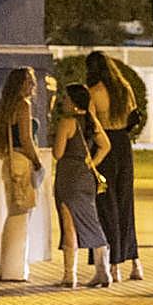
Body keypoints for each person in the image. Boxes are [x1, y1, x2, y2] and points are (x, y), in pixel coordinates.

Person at [86, 51, 142, 282]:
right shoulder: (124, 88)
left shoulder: (93, 92)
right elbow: (134, 116)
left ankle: (113, 264)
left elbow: (91, 123)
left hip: (105, 146)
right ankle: (135, 262)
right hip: (123, 145)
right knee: (125, 203)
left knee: (105, 204)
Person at [52, 83, 111, 287]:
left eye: (66, 98)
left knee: (69, 225)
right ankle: (103, 271)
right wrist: (92, 163)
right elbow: (106, 145)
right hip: (86, 178)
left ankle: (70, 275)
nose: (63, 101)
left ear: (74, 101)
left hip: (68, 177)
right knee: (91, 221)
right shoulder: (91, 121)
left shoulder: (67, 122)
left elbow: (58, 153)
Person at [0, 67, 41, 282]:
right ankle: (15, 269)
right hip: (22, 161)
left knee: (13, 213)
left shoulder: (6, 106)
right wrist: (37, 162)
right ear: (20, 84)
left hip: (9, 161)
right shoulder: (23, 105)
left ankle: (6, 268)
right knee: (22, 215)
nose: (33, 85)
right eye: (28, 81)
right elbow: (26, 138)